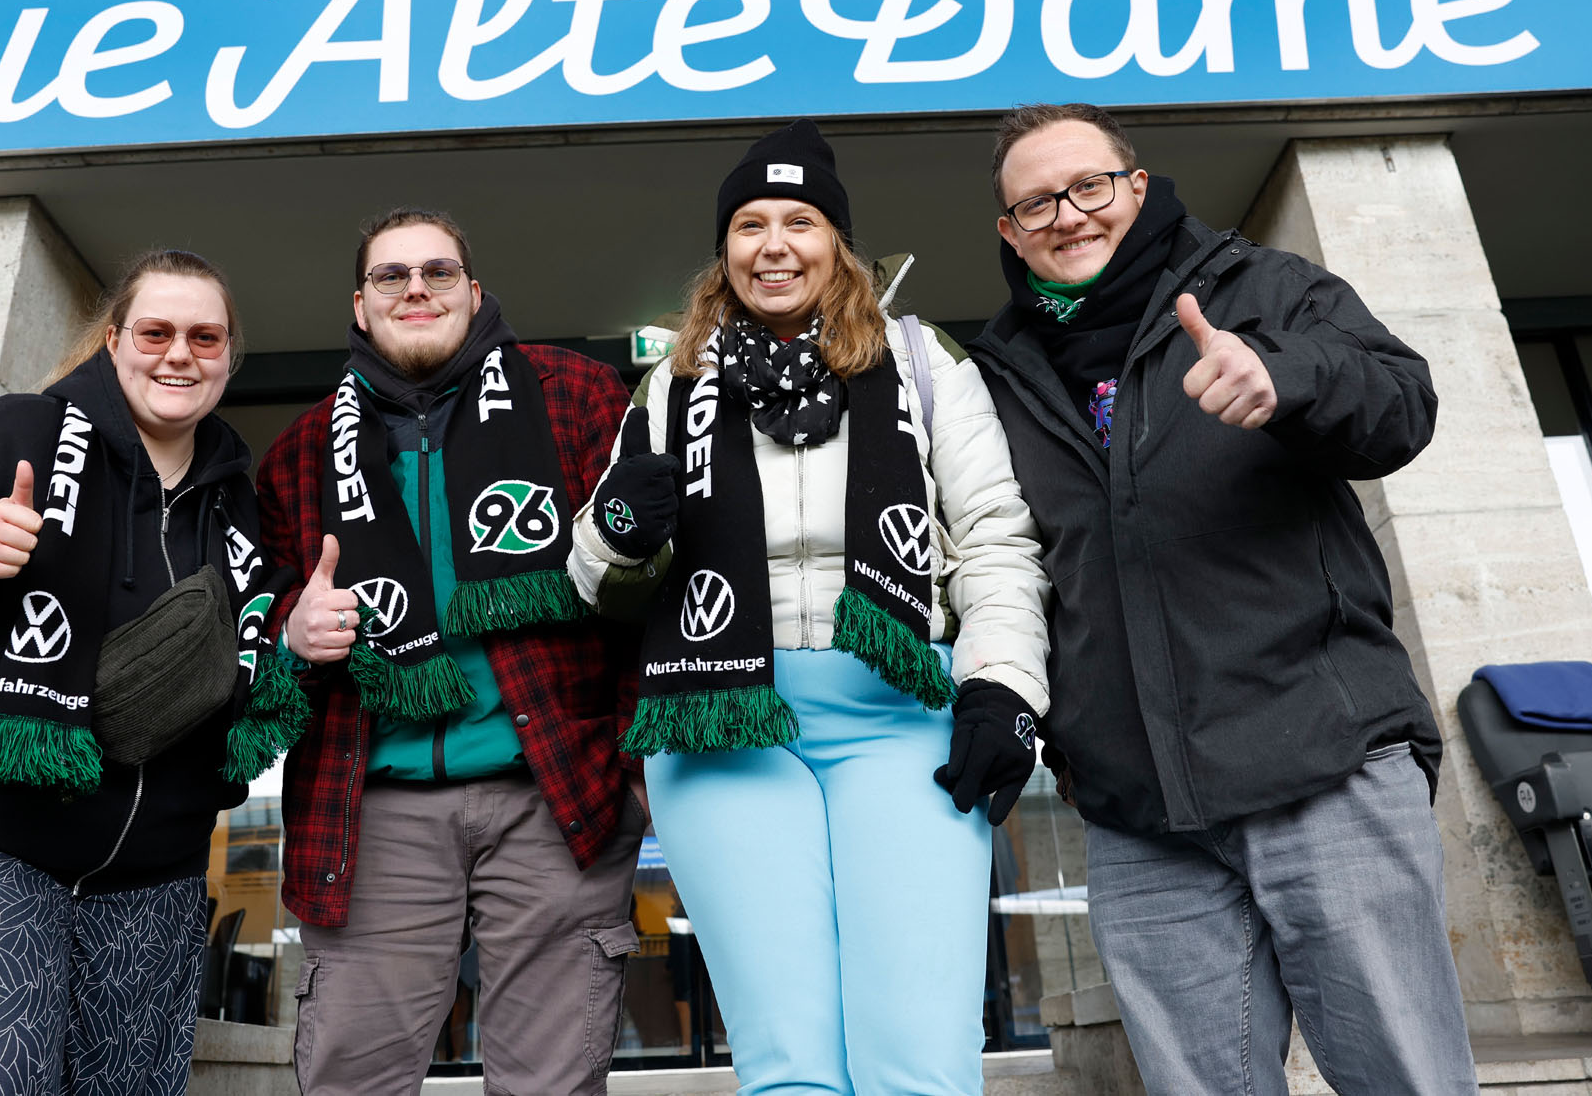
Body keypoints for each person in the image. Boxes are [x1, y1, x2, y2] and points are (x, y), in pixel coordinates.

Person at [966, 103, 1477, 1095]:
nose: (1066, 216)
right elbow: (1008, 563)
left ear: (1137, 186)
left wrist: (1286, 377)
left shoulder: (1257, 285)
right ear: (1006, 231)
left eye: (1088, 188)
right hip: (1138, 814)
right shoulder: (996, 373)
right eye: (1035, 204)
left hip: (1318, 765)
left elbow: (1399, 403)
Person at [570, 120, 1052, 1096]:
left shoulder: (919, 362)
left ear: (836, 242)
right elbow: (595, 578)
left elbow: (996, 539)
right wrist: (619, 523)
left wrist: (1002, 688)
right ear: (725, 250)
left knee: (916, 1058)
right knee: (787, 1062)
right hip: (724, 728)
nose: (773, 243)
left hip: (896, 718)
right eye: (749, 223)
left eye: (798, 220)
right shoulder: (671, 387)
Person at [0, 249, 304, 1096]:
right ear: (115, 338)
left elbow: (242, 666)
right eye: (157, 331)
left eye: (206, 338)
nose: (180, 354)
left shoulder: (240, 502)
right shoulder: (19, 431)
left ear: (229, 356)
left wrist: (294, 635)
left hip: (150, 868)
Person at [257, 208, 643, 1096]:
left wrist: (633, 759)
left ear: (474, 292)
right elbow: (254, 627)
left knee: (548, 1086)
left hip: (555, 794)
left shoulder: (577, 397)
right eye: (391, 276)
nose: (416, 288)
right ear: (361, 306)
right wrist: (291, 635)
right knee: (352, 1078)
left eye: (438, 271)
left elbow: (648, 587)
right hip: (373, 809)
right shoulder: (302, 453)